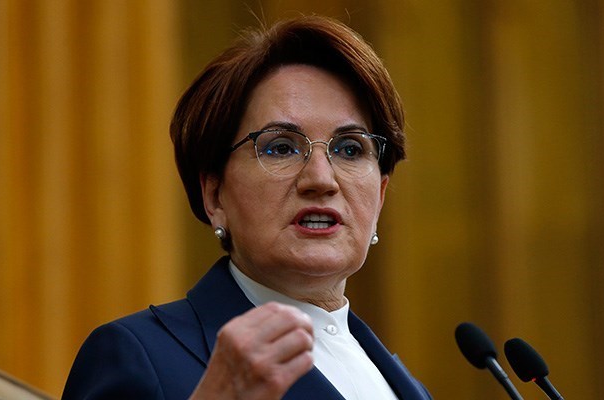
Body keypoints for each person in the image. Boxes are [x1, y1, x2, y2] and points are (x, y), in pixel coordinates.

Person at [63, 15, 431, 400]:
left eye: (350, 149)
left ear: (380, 195)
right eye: (281, 148)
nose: (322, 179)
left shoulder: (407, 387)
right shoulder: (138, 355)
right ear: (215, 196)